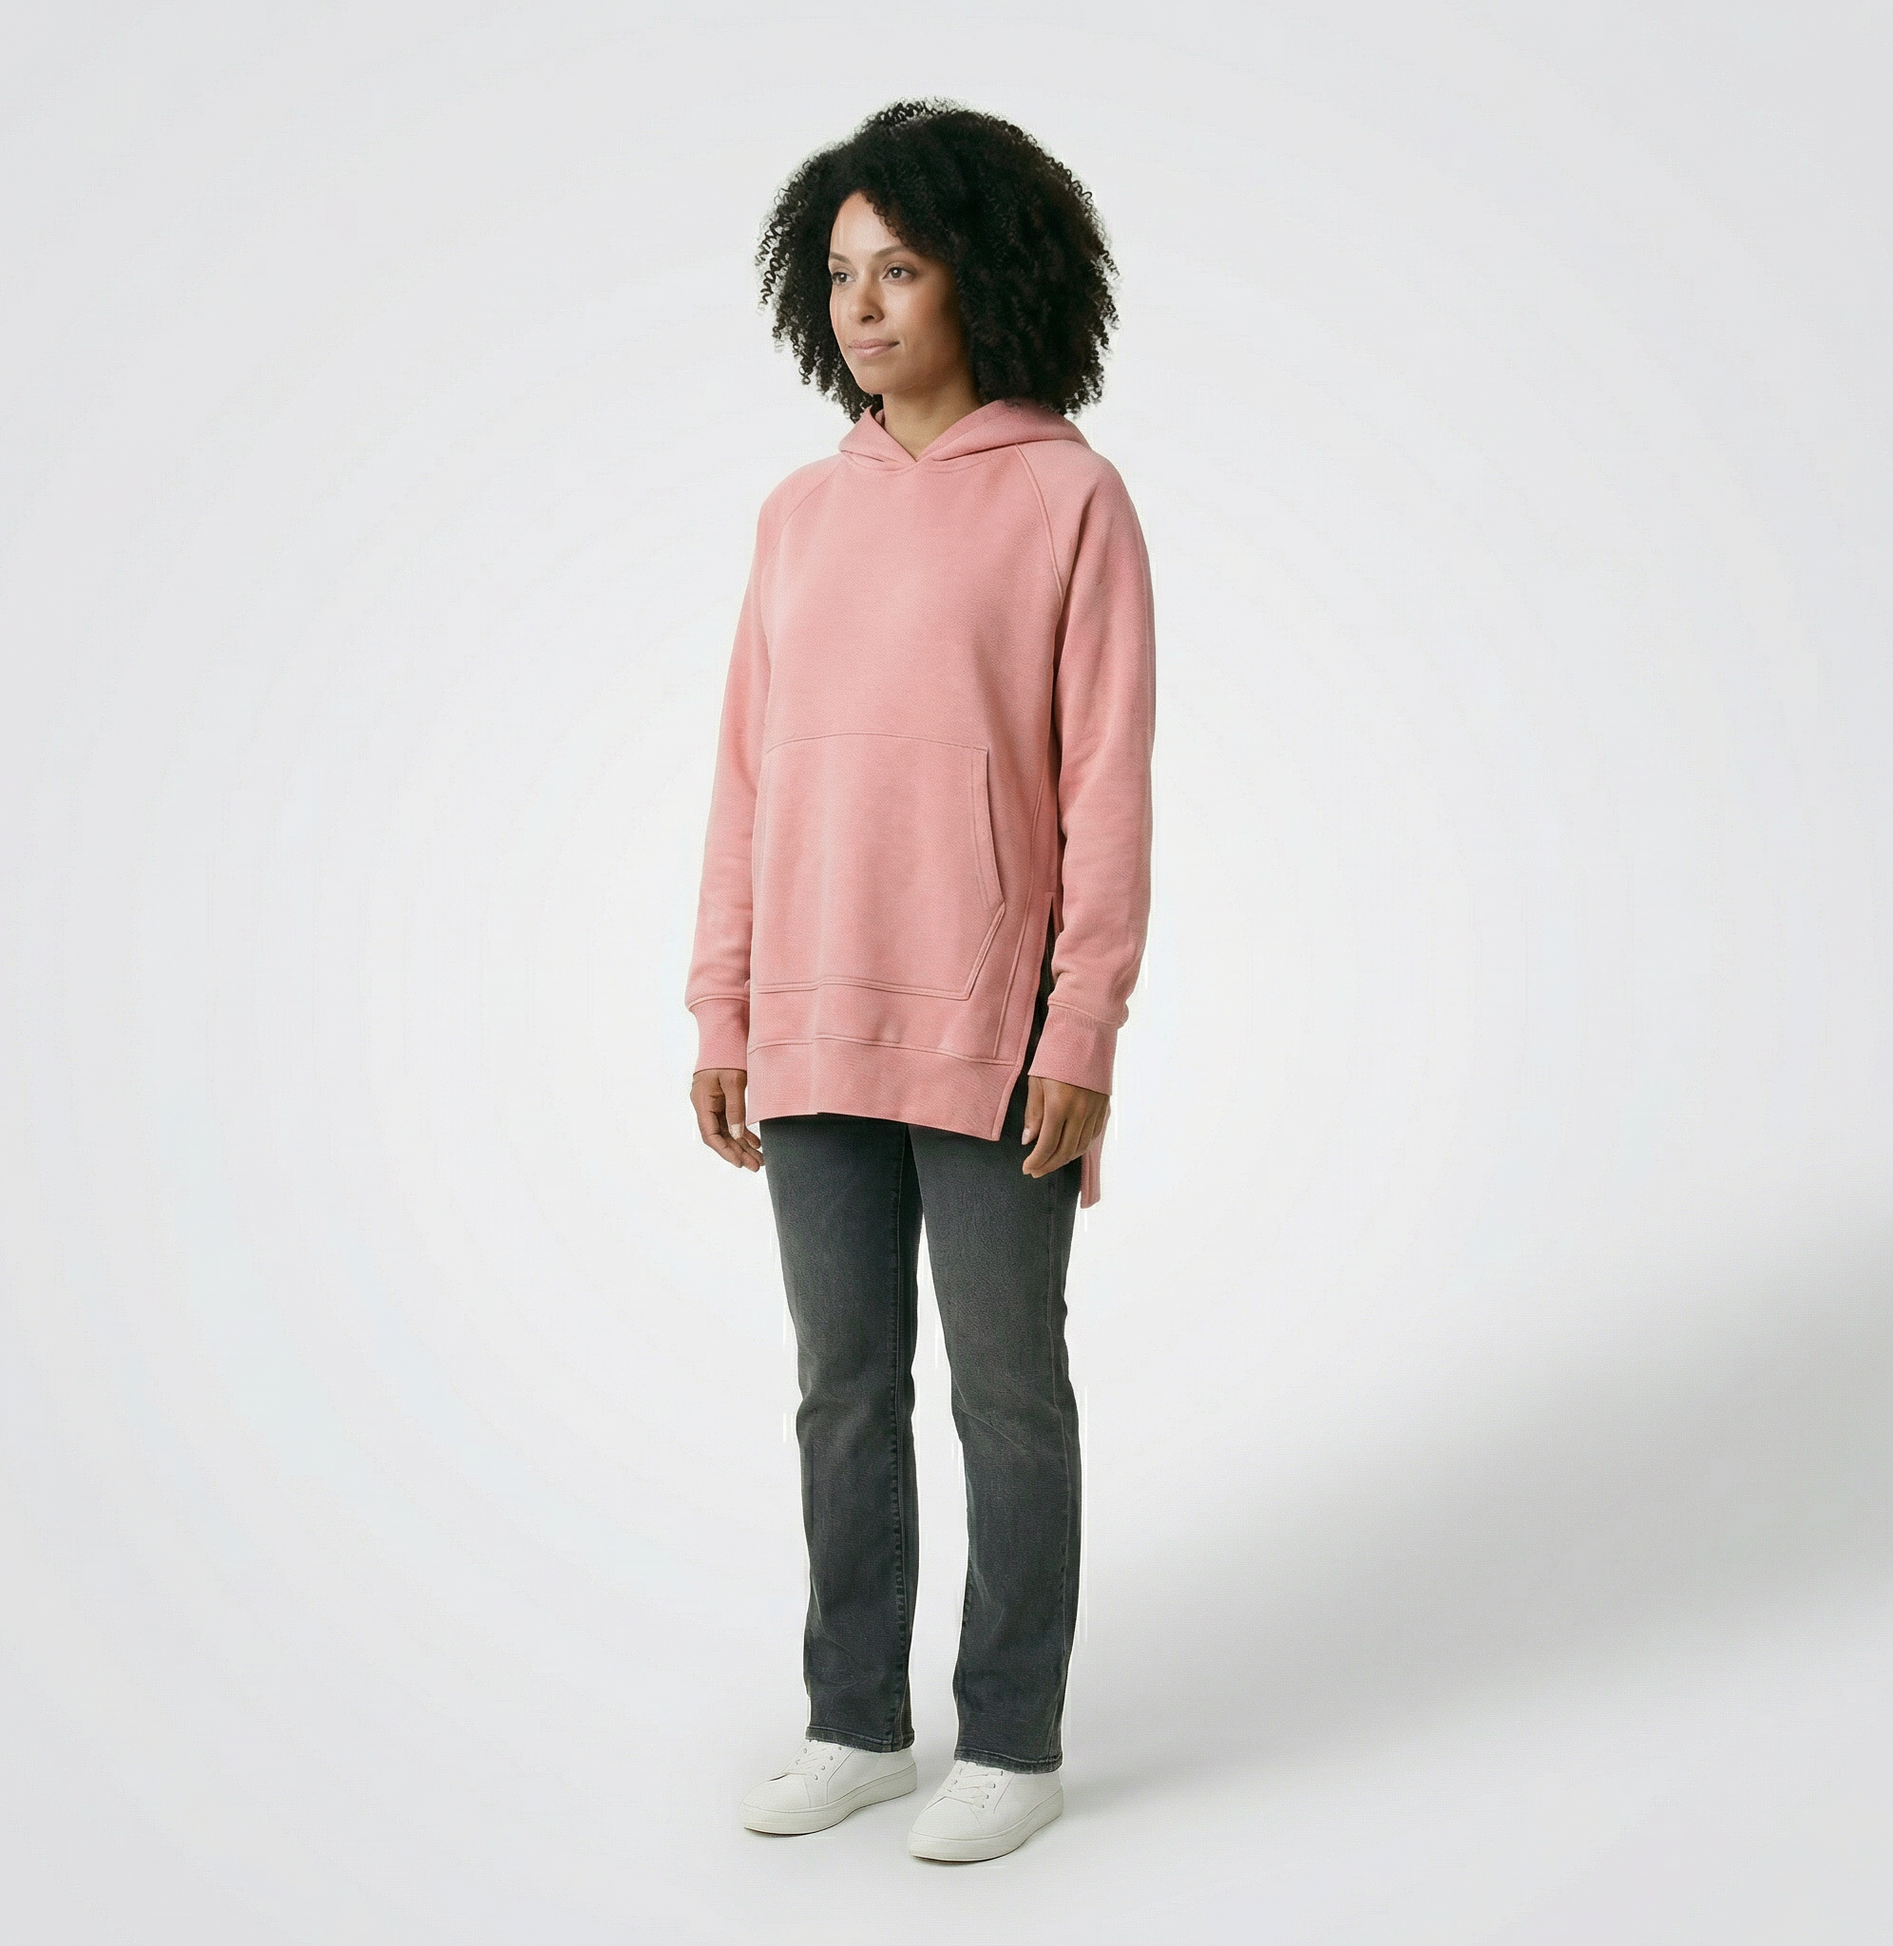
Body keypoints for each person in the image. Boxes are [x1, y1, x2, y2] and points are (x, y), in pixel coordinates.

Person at [684, 98, 1155, 1864]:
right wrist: (721, 1002)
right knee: (841, 1387)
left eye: (900, 268)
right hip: (807, 1018)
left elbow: (1105, 785)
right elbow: (747, 777)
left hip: (992, 1030)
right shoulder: (798, 515)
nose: (863, 306)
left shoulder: (1067, 498)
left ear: (986, 277)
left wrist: (1080, 1022)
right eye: (838, 275)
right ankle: (855, 1723)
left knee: (1005, 1391)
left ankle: (1012, 1737)